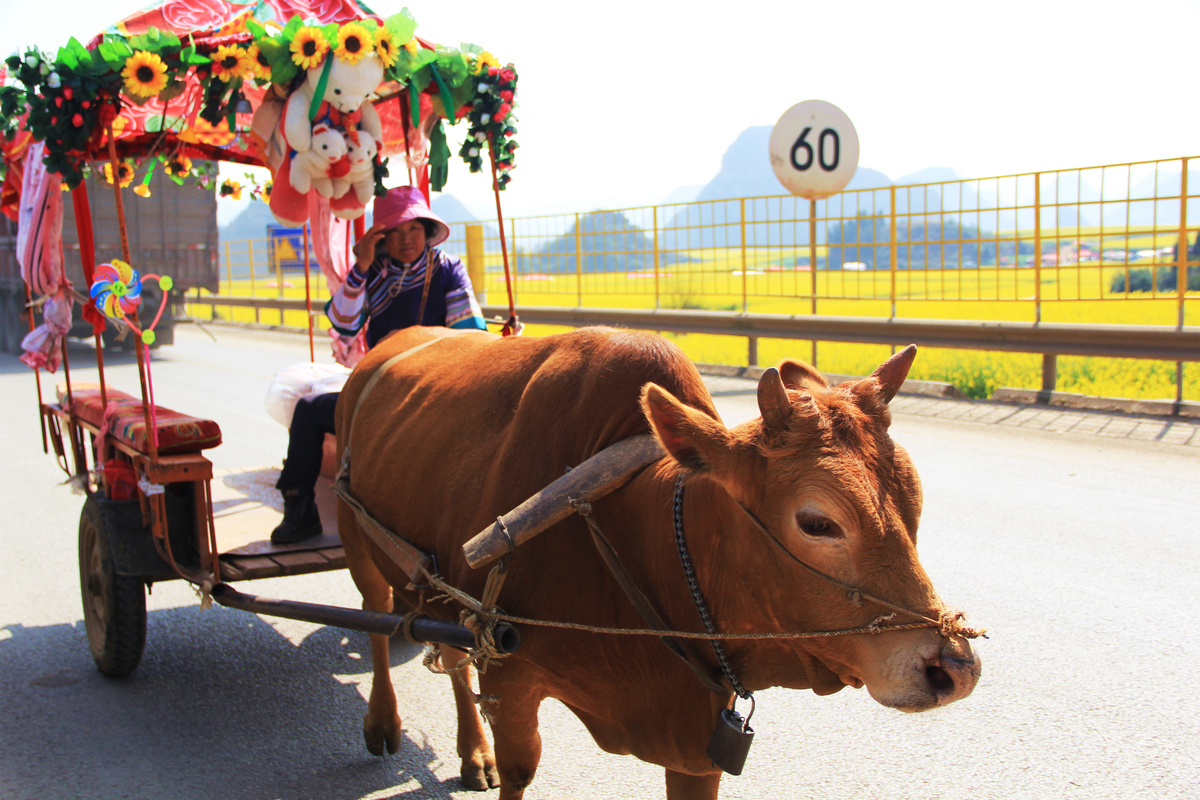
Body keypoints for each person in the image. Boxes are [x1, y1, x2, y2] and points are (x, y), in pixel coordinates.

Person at [271, 185, 488, 544]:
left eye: (414, 229)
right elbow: (343, 323)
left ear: (427, 231)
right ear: (381, 237)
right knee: (309, 411)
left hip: (435, 385)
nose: (407, 239)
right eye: (396, 232)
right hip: (378, 387)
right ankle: (299, 507)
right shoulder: (372, 272)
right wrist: (361, 267)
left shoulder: (448, 269)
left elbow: (467, 334)